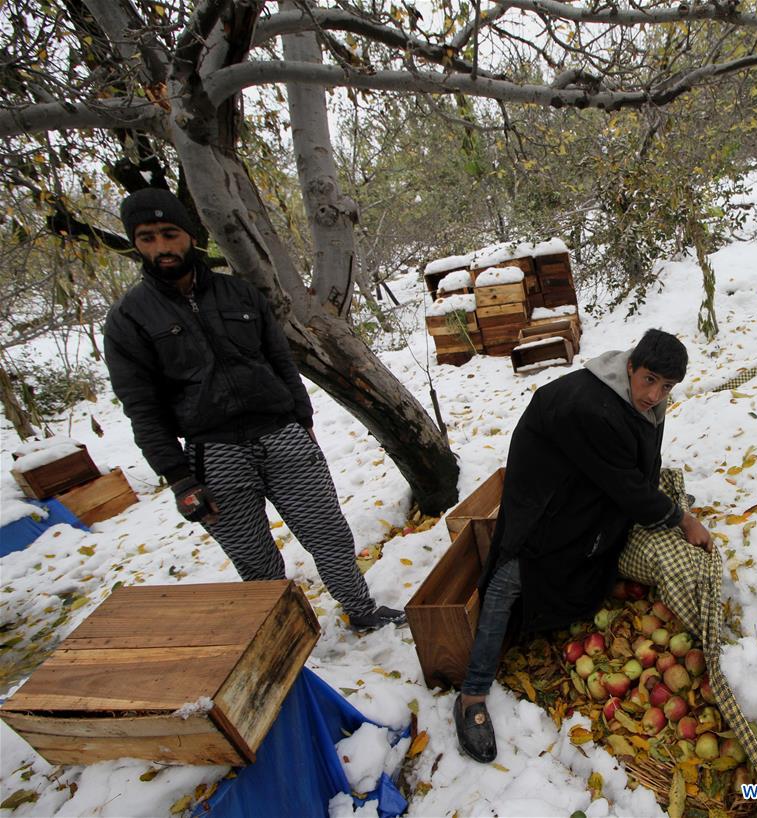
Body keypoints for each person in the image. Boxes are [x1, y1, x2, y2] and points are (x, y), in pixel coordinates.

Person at [103, 188, 404, 631]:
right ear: (135, 243)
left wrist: (302, 422)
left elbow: (281, 360)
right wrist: (180, 479)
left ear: (191, 235)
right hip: (213, 455)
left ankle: (362, 610)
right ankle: (286, 639)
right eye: (147, 238)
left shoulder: (238, 293)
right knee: (255, 559)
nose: (162, 248)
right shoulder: (128, 318)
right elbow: (141, 407)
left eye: (170, 233)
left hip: (281, 436)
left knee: (329, 534)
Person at [454, 328, 711, 762]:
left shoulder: (642, 399)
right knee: (512, 574)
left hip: (583, 479)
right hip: (544, 495)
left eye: (666, 387)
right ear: (630, 366)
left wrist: (654, 496)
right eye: (649, 380)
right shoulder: (592, 408)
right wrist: (678, 518)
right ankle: (472, 694)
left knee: (592, 549)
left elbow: (638, 463)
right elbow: (625, 483)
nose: (655, 395)